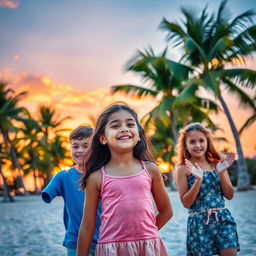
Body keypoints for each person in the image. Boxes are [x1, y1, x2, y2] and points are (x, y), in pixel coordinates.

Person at [77, 103, 173, 256]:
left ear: (139, 135)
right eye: (115, 126)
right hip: (111, 249)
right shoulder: (97, 177)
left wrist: (146, 235)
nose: (124, 128)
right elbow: (87, 226)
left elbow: (166, 211)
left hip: (148, 246)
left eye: (130, 124)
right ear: (102, 138)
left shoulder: (150, 170)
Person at [175, 122, 240, 256]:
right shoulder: (183, 169)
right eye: (192, 142)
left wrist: (221, 173)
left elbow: (229, 195)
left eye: (201, 141)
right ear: (186, 145)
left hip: (222, 219)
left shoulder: (217, 163)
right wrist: (198, 180)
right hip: (198, 223)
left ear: (207, 142)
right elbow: (186, 203)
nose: (198, 145)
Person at [41, 126, 101, 256]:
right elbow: (47, 194)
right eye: (75, 146)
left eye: (85, 146)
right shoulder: (63, 176)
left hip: (104, 239)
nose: (80, 150)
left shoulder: (103, 174)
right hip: (75, 240)